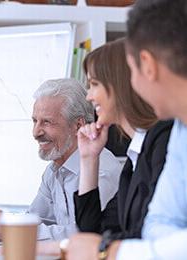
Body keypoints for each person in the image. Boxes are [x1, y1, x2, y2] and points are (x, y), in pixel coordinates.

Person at [66, 0, 187, 259]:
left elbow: (141, 238)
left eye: (94, 84)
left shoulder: (161, 137)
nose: (89, 96)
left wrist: (110, 251)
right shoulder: (178, 132)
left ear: (147, 65)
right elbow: (157, 227)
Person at [0, 79, 122, 241]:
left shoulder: (100, 170)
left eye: (46, 122)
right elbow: (33, 221)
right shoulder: (54, 170)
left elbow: (87, 235)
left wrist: (10, 231)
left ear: (78, 125)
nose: (35, 132)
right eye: (34, 121)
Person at [74, 38, 173, 239]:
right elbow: (92, 232)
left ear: (120, 85)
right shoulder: (133, 160)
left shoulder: (164, 141)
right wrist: (88, 159)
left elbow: (150, 235)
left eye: (94, 84)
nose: (89, 96)